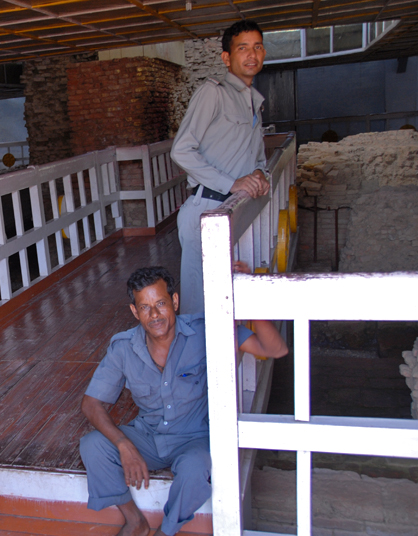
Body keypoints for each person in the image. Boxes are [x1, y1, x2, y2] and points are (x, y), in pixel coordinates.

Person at [79, 266, 287, 536]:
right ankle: (135, 521)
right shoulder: (123, 347)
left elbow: (275, 349)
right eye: (145, 307)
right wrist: (123, 445)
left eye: (161, 303)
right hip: (149, 436)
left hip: (195, 437)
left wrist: (248, 295)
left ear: (174, 302)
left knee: (196, 467)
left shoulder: (206, 331)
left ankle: (167, 531)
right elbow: (91, 404)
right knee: (93, 445)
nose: (154, 315)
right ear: (135, 312)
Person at [171, 19, 271, 314]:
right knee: (198, 308)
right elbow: (181, 150)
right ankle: (196, 362)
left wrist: (259, 175)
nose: (252, 55)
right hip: (206, 209)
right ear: (227, 57)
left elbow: (258, 160)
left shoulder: (254, 102)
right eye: (243, 48)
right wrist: (232, 183)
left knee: (227, 300)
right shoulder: (212, 93)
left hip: (234, 211)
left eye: (257, 47)